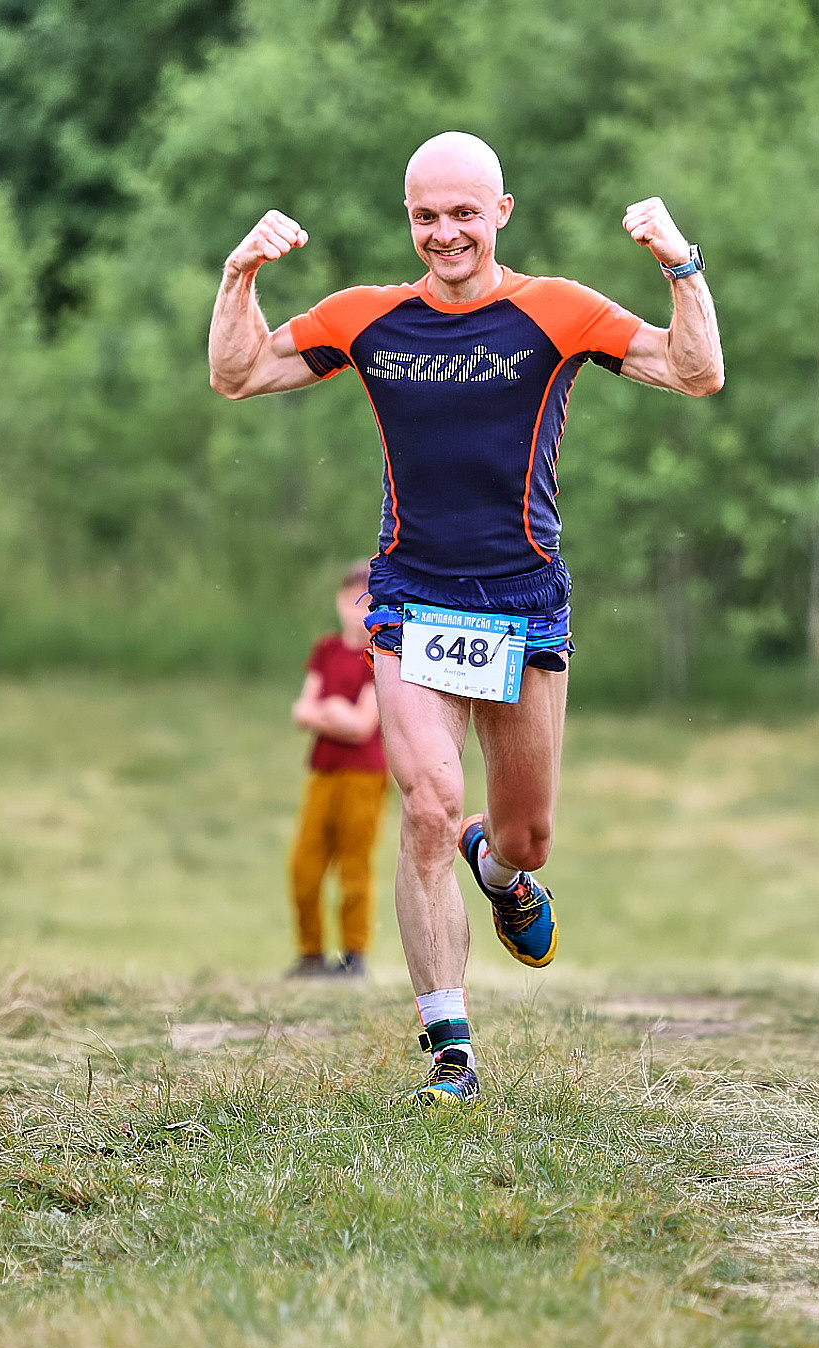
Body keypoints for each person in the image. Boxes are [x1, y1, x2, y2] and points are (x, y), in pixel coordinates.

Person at [208, 132, 724, 1103]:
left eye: (460, 213)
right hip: (411, 595)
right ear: (408, 219)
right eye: (423, 215)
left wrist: (677, 265)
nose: (442, 233)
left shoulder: (556, 311)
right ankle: (449, 1046)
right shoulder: (366, 318)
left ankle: (500, 867)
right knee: (427, 810)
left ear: (500, 213)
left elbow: (692, 371)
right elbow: (238, 374)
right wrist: (239, 277)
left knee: (522, 839)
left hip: (523, 601)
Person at [285, 559, 387, 980]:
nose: (356, 611)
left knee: (353, 864)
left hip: (363, 776)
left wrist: (326, 711)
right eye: (350, 601)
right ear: (338, 602)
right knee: (304, 864)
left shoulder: (380, 655)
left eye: (366, 603)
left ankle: (353, 955)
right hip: (323, 772)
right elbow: (300, 710)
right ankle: (310, 953)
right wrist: (333, 711)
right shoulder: (326, 650)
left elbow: (364, 726)